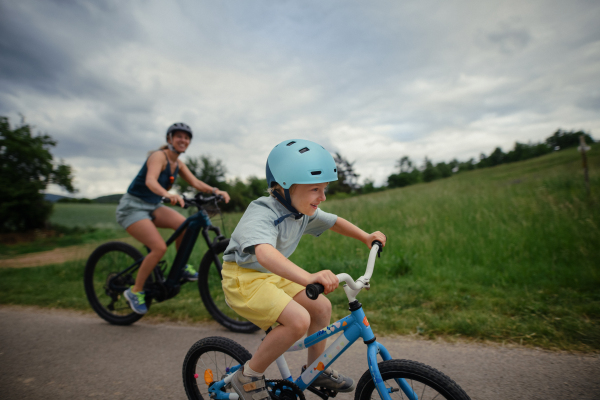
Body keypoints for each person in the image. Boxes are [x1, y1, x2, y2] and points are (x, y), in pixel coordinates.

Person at [221, 139, 386, 400]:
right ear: (284, 186)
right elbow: (264, 253)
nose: (322, 197)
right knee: (298, 321)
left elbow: (334, 222)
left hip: (270, 275)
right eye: (315, 189)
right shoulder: (261, 213)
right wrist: (309, 276)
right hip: (244, 279)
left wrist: (365, 237)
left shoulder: (301, 211)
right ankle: (248, 376)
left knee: (321, 307)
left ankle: (315, 369)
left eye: (324, 189)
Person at [116, 122, 230, 314]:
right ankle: (135, 291)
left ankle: (181, 266)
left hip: (152, 206)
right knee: (159, 248)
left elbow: (195, 182)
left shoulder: (178, 164)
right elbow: (150, 180)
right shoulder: (158, 156)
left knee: (184, 226)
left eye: (186, 138)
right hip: (132, 207)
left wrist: (216, 190)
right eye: (178, 136)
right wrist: (168, 195)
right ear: (169, 139)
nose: (183, 140)